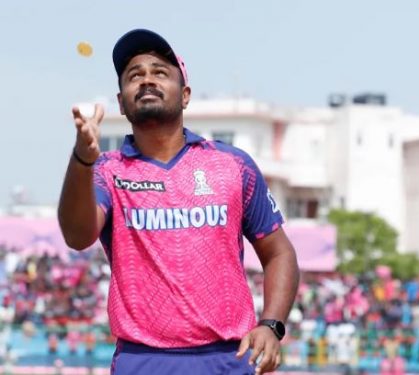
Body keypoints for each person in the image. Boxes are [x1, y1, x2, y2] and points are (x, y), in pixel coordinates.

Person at [57, 28, 300, 374]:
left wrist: (272, 324)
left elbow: (280, 252)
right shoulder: (106, 170)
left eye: (159, 72)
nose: (146, 80)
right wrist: (82, 158)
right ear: (122, 102)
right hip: (142, 360)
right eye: (134, 75)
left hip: (229, 358)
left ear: (185, 95)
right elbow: (77, 236)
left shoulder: (232, 165)